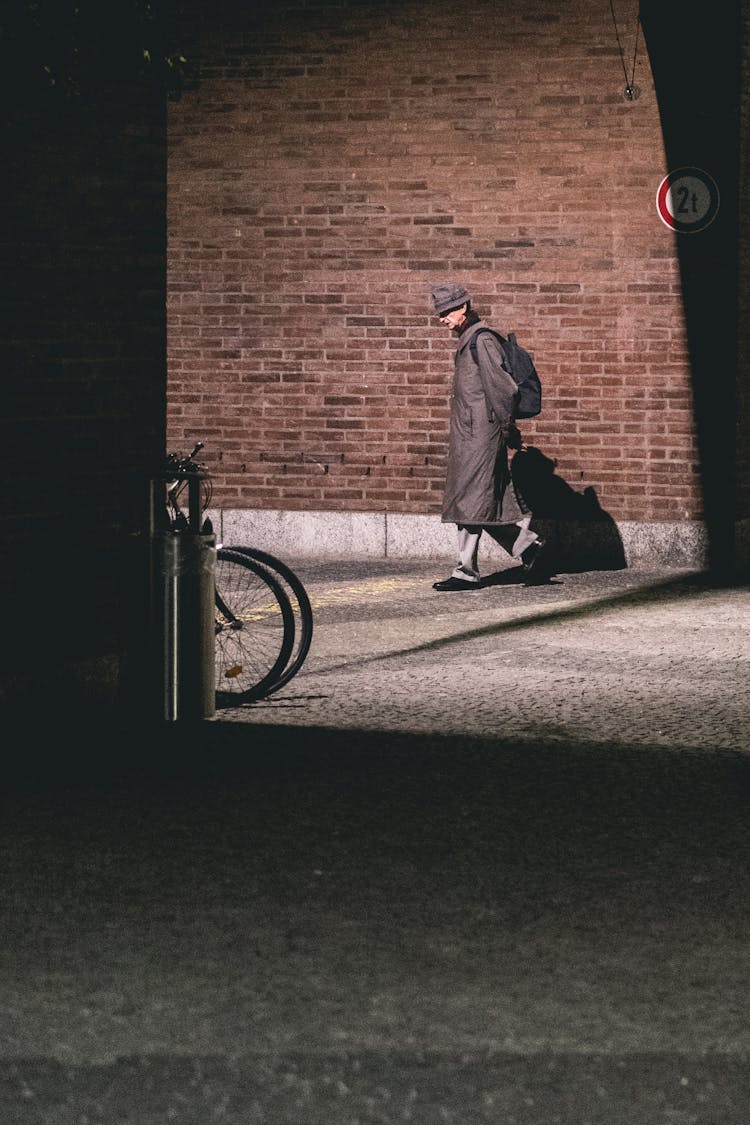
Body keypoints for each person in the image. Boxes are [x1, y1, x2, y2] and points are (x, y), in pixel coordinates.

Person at [430, 282, 554, 590]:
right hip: (473, 435)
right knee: (481, 503)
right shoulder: (470, 340)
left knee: (469, 502)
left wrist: (509, 430)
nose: (443, 318)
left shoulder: (481, 340)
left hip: (481, 437)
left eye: (447, 312)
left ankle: (466, 572)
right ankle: (531, 550)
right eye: (440, 313)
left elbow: (503, 389)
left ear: (463, 308)